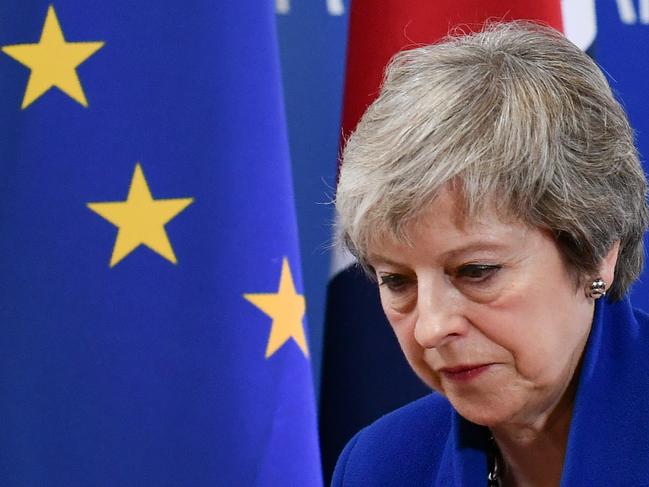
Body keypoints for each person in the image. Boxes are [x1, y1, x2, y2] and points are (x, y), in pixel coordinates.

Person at [332, 22, 649, 486]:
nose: (431, 328)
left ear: (596, 251)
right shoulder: (380, 465)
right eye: (397, 281)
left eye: (476, 271)